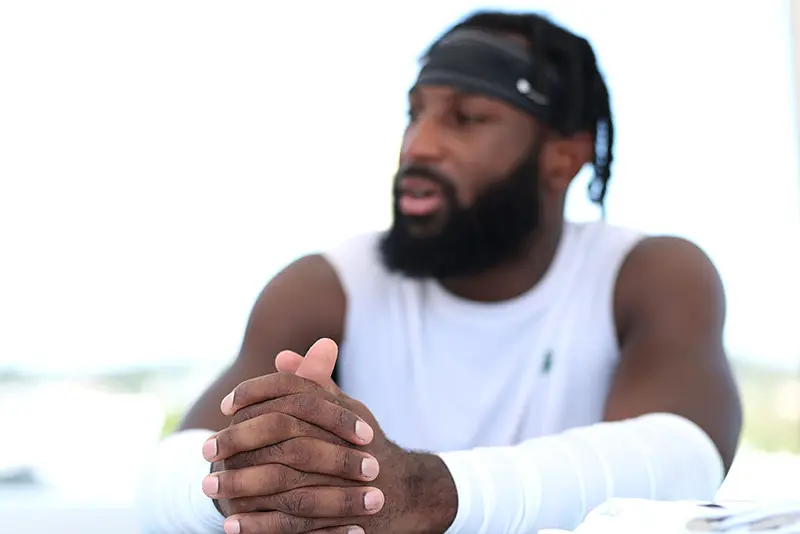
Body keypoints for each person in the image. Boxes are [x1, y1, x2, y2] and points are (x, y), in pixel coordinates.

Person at [136, 10, 743, 534]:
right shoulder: (326, 286)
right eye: (414, 114)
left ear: (564, 156)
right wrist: (257, 481)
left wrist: (422, 492)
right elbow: (169, 471)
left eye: (467, 118)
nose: (419, 146)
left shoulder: (649, 274)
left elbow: (684, 455)